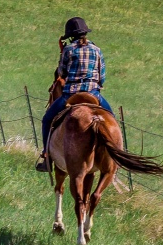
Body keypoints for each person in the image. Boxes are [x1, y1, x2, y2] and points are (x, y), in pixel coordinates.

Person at [36, 17, 114, 172]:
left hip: (70, 94)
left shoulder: (68, 49)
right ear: (85, 32)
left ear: (70, 35)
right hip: (93, 94)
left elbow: (61, 73)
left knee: (47, 120)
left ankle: (47, 156)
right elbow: (102, 76)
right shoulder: (97, 50)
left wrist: (62, 53)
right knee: (112, 120)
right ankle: (115, 155)